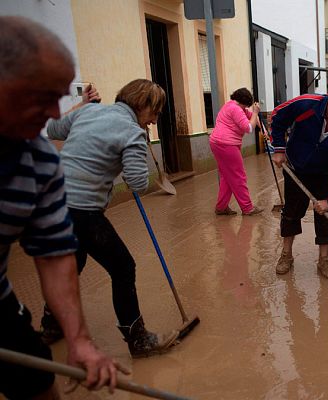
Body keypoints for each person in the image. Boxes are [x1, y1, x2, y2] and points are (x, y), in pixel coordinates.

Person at [0, 16, 123, 399]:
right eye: (43, 96)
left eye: (61, 96)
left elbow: (54, 255)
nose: (56, 113)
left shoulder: (39, 165)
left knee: (41, 391)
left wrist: (80, 340)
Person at [41, 78, 179, 358]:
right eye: (154, 114)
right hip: (81, 210)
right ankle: (138, 340)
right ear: (143, 106)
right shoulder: (131, 132)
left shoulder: (88, 112)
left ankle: (52, 326)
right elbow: (138, 183)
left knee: (71, 264)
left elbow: (53, 129)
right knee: (123, 267)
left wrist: (81, 105)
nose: (153, 122)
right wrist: (135, 154)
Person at [270, 85, 328, 280]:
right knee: (291, 213)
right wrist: (278, 148)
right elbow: (277, 117)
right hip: (296, 169)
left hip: (326, 173)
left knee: (325, 216)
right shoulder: (306, 104)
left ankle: (324, 260)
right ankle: (286, 255)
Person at [210, 88, 263, 216]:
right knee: (239, 176)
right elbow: (249, 128)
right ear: (244, 102)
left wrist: (263, 128)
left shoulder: (232, 105)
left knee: (227, 177)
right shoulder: (235, 109)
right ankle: (247, 208)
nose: (247, 108)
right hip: (226, 145)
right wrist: (255, 112)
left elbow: (250, 117)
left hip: (219, 143)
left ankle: (221, 207)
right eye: (246, 106)